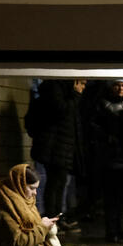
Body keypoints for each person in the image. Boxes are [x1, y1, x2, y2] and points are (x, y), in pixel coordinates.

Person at [29, 79, 87, 223]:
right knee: (55, 184)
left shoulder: (60, 90)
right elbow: (63, 111)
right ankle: (53, 219)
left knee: (58, 184)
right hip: (56, 147)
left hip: (62, 147)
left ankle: (56, 218)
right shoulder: (56, 90)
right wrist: (75, 95)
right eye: (82, 83)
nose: (82, 87)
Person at [91, 79, 123, 242]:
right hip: (109, 156)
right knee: (111, 196)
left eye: (122, 85)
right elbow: (94, 127)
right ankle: (112, 229)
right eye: (116, 85)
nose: (120, 89)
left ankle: (121, 228)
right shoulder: (102, 105)